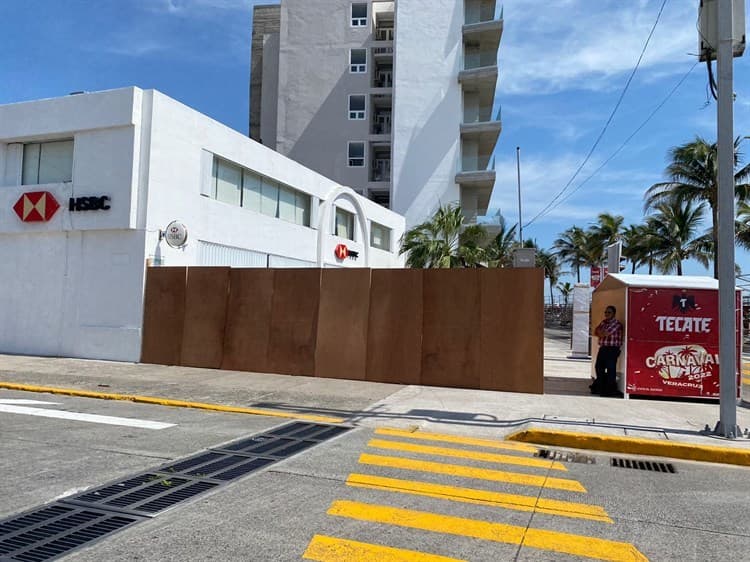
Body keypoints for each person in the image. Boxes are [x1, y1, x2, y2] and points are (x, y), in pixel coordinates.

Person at [590, 305, 623, 397]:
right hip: (603, 348)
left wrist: (601, 333)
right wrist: (601, 333)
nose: (607, 314)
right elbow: (596, 332)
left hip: (612, 349)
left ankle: (610, 390)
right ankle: (601, 386)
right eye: (606, 312)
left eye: (609, 312)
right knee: (598, 367)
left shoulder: (616, 324)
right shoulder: (604, 322)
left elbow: (605, 333)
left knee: (610, 369)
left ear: (614, 314)